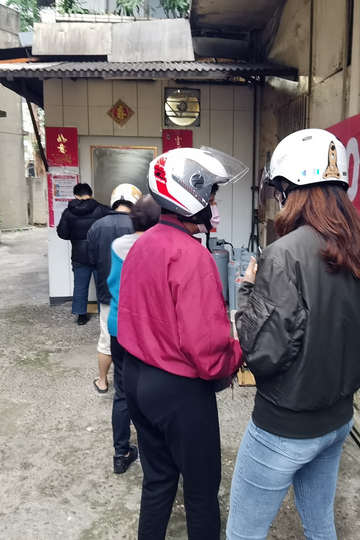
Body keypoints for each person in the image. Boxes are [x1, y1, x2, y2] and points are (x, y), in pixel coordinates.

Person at [226, 129, 360, 540]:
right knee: (320, 526)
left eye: (280, 191)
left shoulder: (282, 254)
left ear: (289, 191)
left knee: (244, 533)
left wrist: (247, 289)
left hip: (284, 426)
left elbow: (260, 353)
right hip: (338, 419)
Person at [117, 147, 247, 539]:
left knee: (157, 482)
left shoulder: (143, 243)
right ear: (190, 197)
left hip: (137, 377)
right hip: (179, 389)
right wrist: (238, 356)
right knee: (202, 492)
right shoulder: (191, 256)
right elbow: (207, 349)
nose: (214, 202)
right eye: (210, 194)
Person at [106, 195, 162, 474]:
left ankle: (121, 452)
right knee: (151, 390)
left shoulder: (117, 245)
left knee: (122, 391)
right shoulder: (156, 248)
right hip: (144, 330)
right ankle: (155, 454)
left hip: (117, 326)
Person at [87, 184, 142, 393]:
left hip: (106, 293)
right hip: (134, 296)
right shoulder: (138, 228)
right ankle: (133, 384)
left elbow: (90, 260)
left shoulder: (96, 226)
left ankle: (102, 381)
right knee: (135, 340)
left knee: (106, 341)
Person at [56, 183, 110, 325]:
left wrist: (76, 237)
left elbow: (62, 233)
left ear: (75, 196)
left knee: (80, 285)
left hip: (79, 254)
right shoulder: (103, 210)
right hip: (99, 254)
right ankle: (103, 314)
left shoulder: (68, 212)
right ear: (91, 194)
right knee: (102, 285)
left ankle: (81, 316)